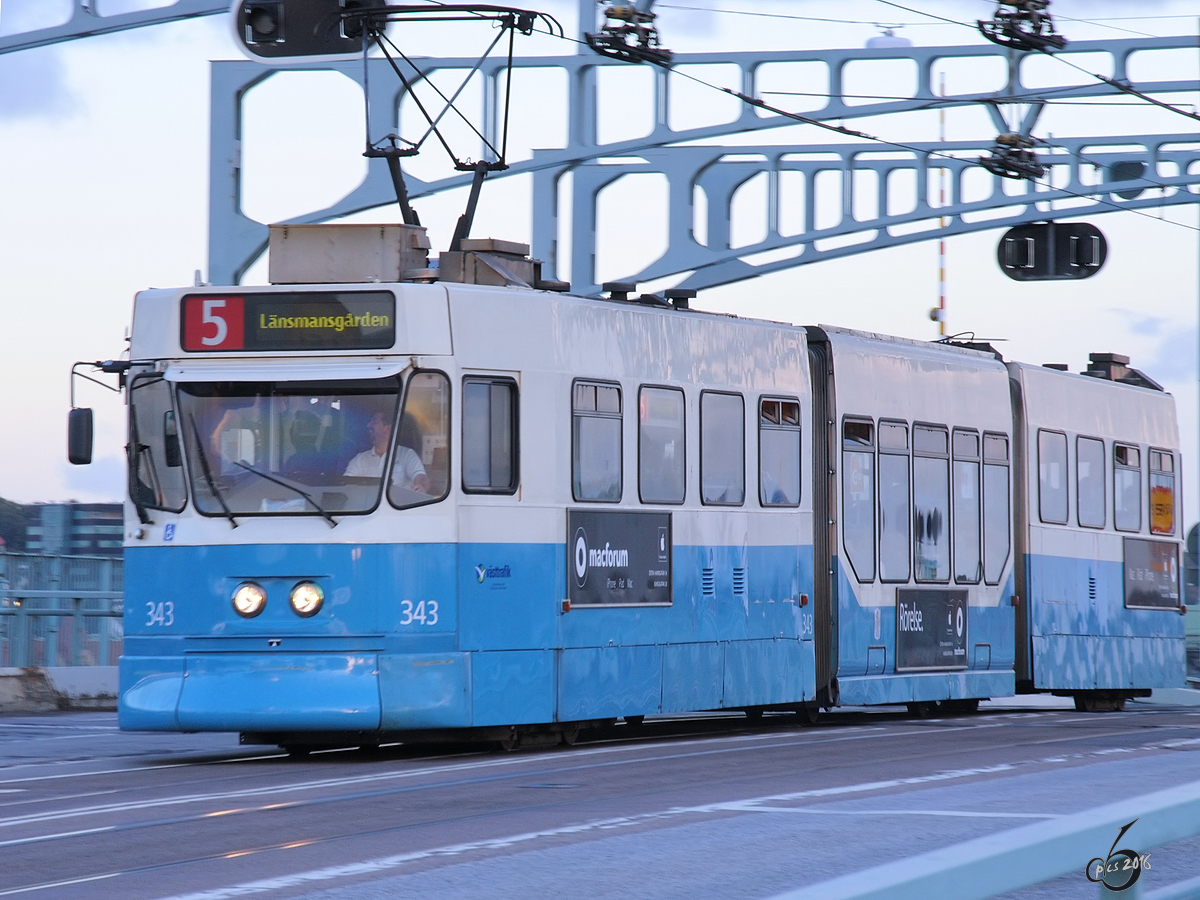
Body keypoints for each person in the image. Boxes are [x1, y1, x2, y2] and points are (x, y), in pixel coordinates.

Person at [344, 409, 430, 493]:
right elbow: (346, 484)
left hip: (398, 506)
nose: (368, 425)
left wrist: (421, 486)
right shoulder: (360, 459)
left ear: (387, 429)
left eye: (374, 421)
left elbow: (420, 476)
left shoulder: (407, 454)